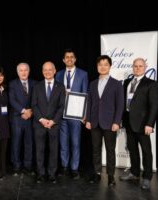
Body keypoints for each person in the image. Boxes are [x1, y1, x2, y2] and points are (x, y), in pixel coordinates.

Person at [119, 58, 158, 190]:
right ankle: (135, 173)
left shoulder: (151, 84)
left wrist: (150, 124)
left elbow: (154, 106)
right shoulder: (127, 82)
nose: (137, 68)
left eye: (140, 66)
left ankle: (147, 177)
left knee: (146, 151)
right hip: (128, 122)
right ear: (132, 67)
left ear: (145, 67)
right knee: (132, 149)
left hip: (143, 124)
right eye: (135, 66)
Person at [85, 55, 124, 187]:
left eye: (105, 64)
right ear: (97, 67)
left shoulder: (117, 84)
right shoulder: (92, 84)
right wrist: (88, 120)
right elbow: (89, 103)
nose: (103, 67)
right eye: (100, 64)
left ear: (110, 66)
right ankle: (97, 174)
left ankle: (111, 176)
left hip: (110, 123)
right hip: (94, 122)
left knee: (110, 150)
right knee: (96, 149)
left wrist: (116, 122)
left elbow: (120, 105)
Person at [55, 49, 89, 179]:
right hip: (61, 114)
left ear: (75, 59)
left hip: (76, 114)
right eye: (67, 57)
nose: (69, 59)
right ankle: (64, 166)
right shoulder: (58, 74)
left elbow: (85, 93)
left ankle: (74, 169)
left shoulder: (83, 74)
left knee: (75, 142)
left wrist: (84, 114)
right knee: (63, 143)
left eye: (71, 57)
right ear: (63, 60)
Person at [32, 61, 66, 184]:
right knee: (39, 150)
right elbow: (34, 105)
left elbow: (62, 106)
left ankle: (52, 174)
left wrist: (53, 121)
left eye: (50, 69)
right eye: (45, 70)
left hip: (54, 124)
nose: (47, 72)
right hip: (39, 124)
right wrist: (41, 119)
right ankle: (40, 174)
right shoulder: (37, 86)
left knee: (53, 150)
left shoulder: (60, 86)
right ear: (42, 72)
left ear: (55, 70)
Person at [9, 63, 36, 175]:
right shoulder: (12, 84)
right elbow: (12, 100)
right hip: (17, 118)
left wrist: (31, 112)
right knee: (16, 143)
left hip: (30, 118)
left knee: (29, 143)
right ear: (17, 72)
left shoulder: (35, 83)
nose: (23, 72)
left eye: (26, 70)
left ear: (29, 72)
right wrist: (24, 111)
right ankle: (16, 166)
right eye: (21, 70)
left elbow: (37, 100)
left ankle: (28, 166)